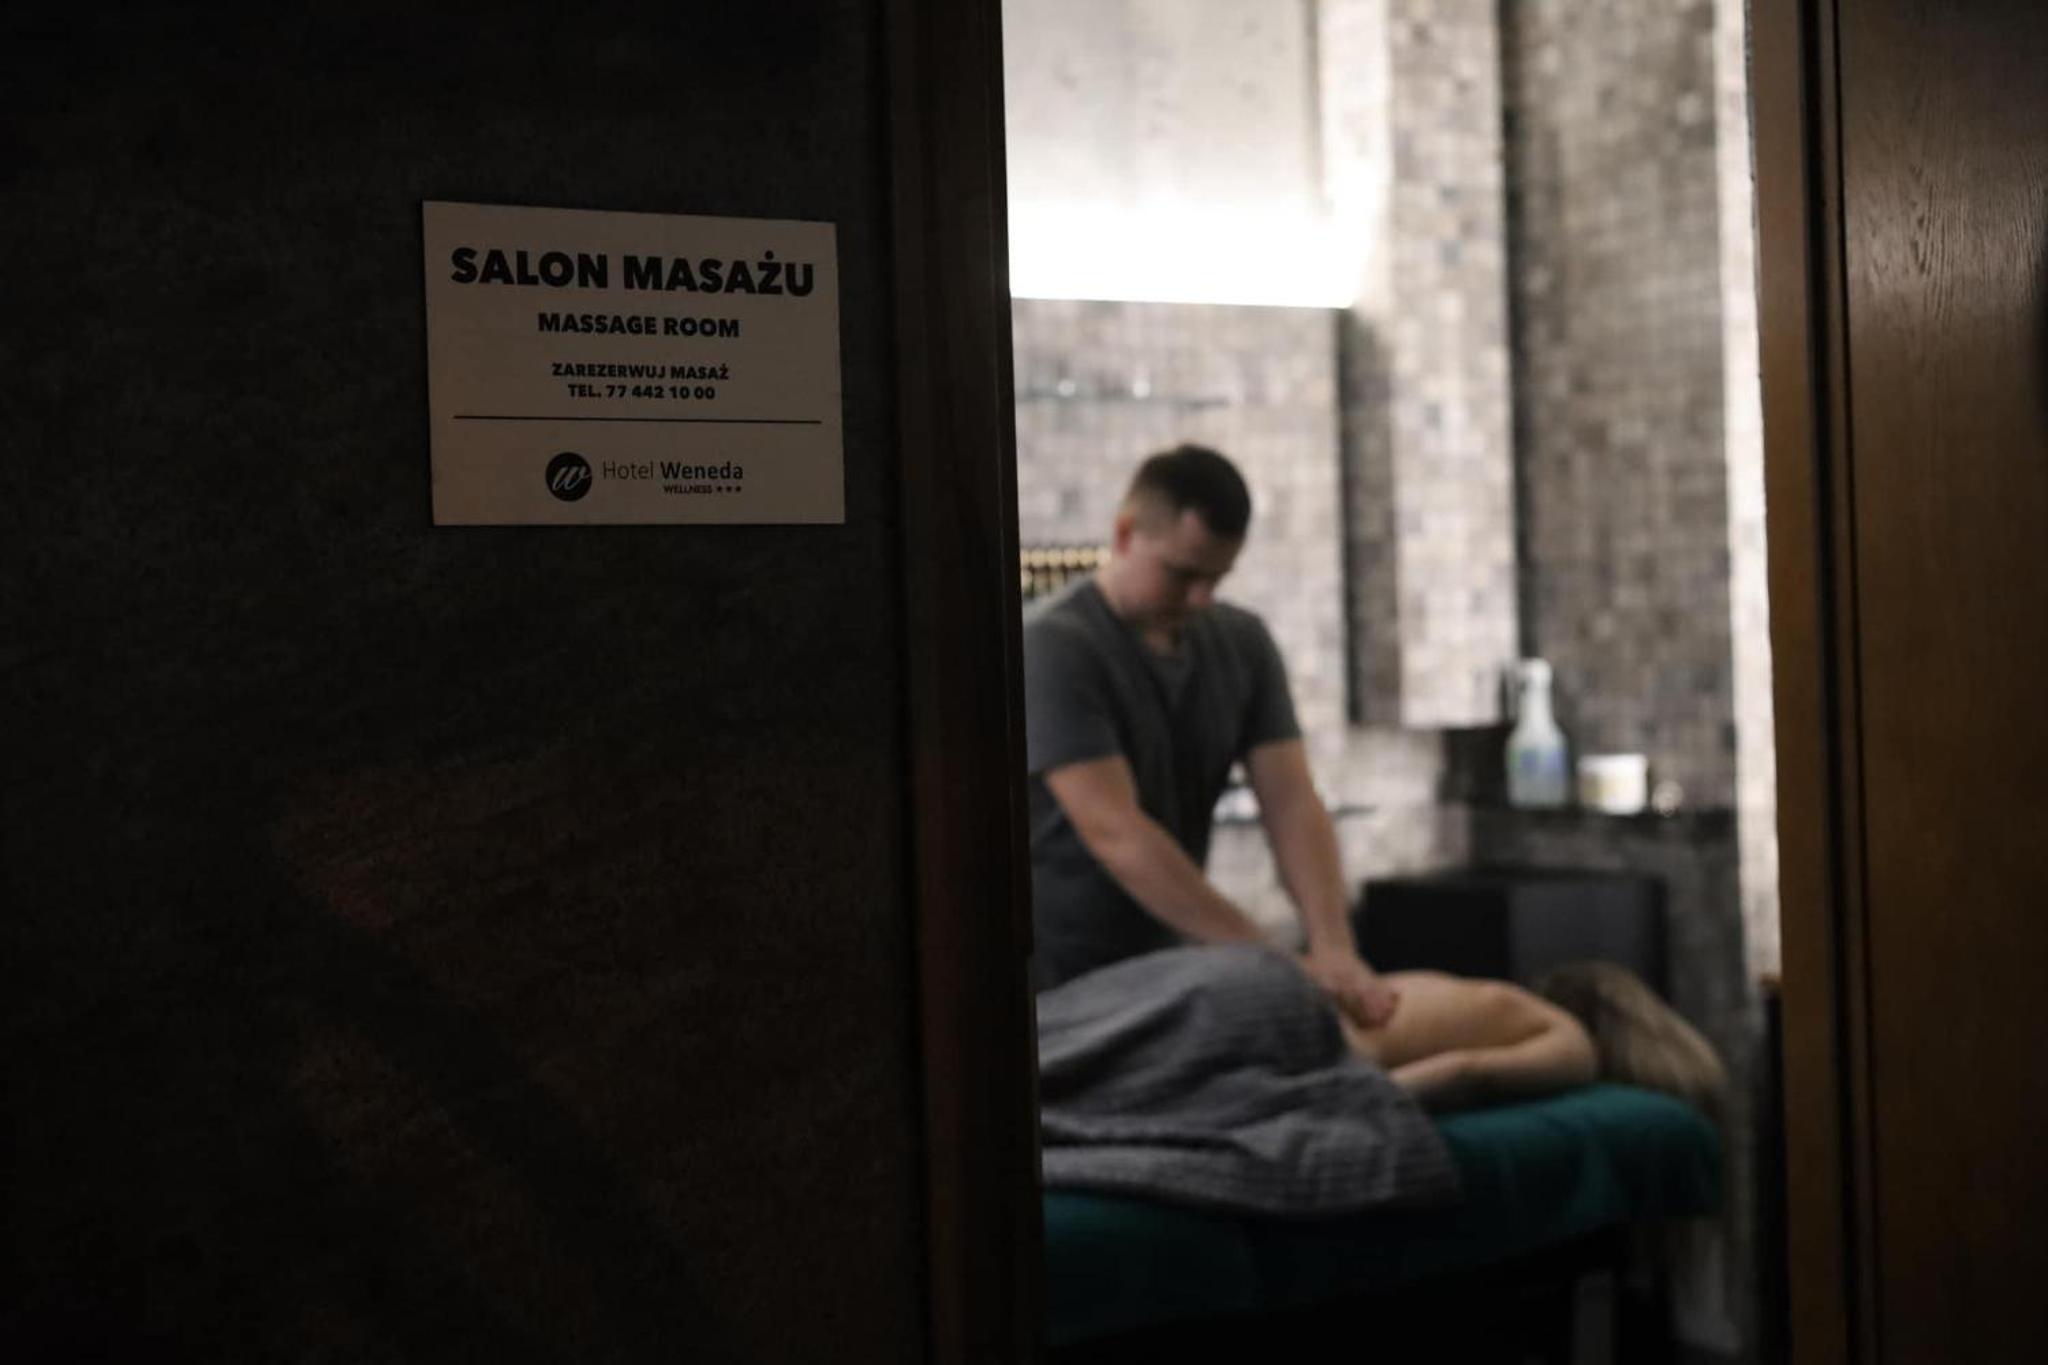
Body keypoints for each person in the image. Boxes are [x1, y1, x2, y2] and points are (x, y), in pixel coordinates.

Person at [1022, 443, 1398, 1028]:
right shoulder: (1054, 647)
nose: (1200, 597)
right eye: (1182, 574)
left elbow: (1292, 802)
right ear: (1125, 535)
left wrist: (1334, 947)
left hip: (1172, 965)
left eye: (1217, 578)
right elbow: (1115, 830)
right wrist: (1270, 962)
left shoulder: (1243, 643)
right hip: (1062, 987)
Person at [1340, 959, 1728, 1118]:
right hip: (1345, 1038)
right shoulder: (1574, 1045)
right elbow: (1466, 1071)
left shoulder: (1492, 1002)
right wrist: (1349, 1101)